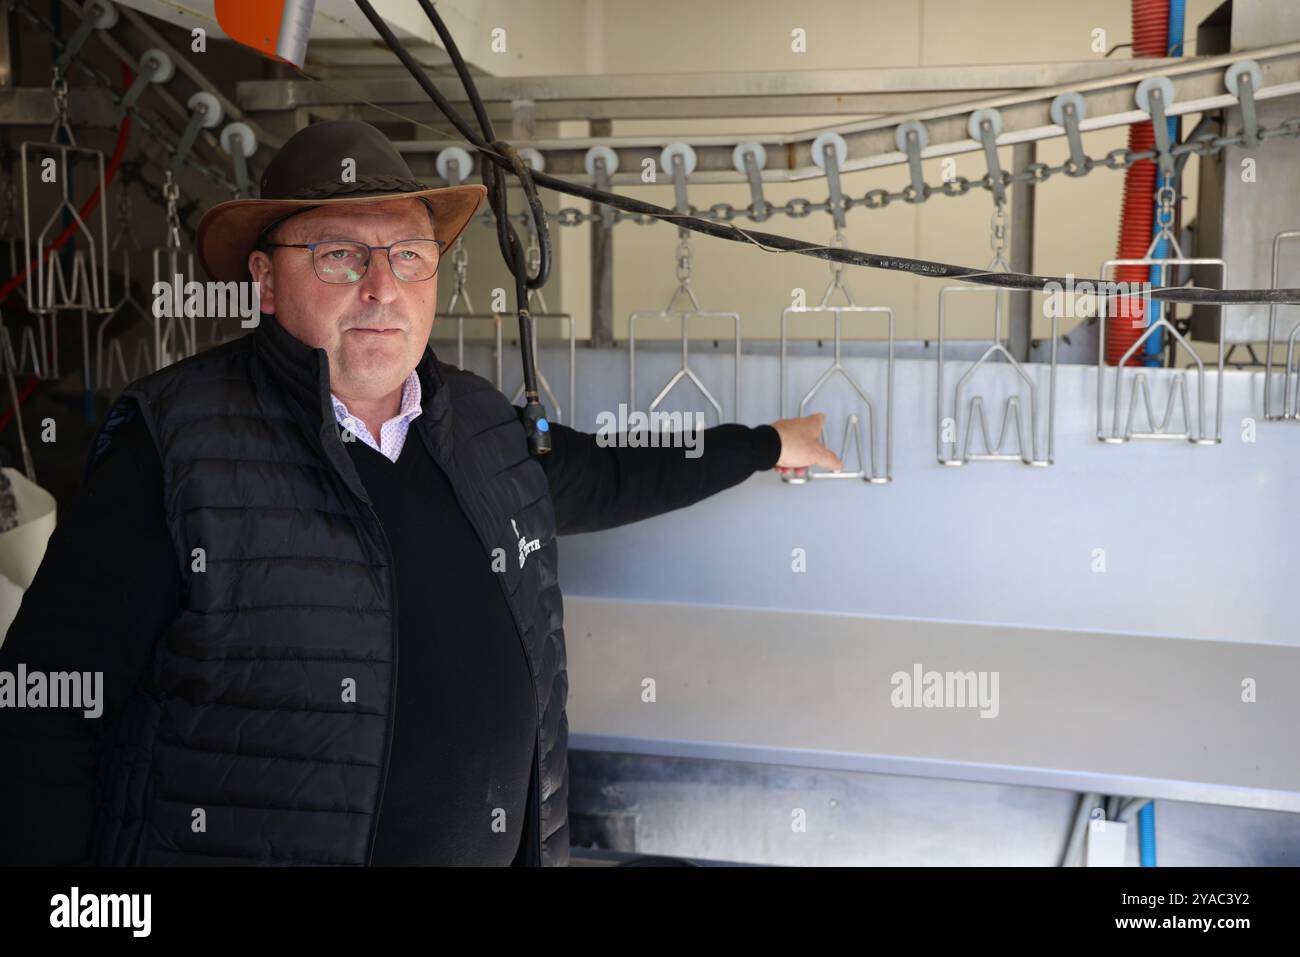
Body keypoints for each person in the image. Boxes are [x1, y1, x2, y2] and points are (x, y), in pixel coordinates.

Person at [0, 119, 841, 866]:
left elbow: (612, 476)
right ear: (262, 279)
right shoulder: (175, 443)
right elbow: (43, 704)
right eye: (339, 254)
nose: (382, 287)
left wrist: (767, 445)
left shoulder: (478, 425)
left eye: (408, 254)